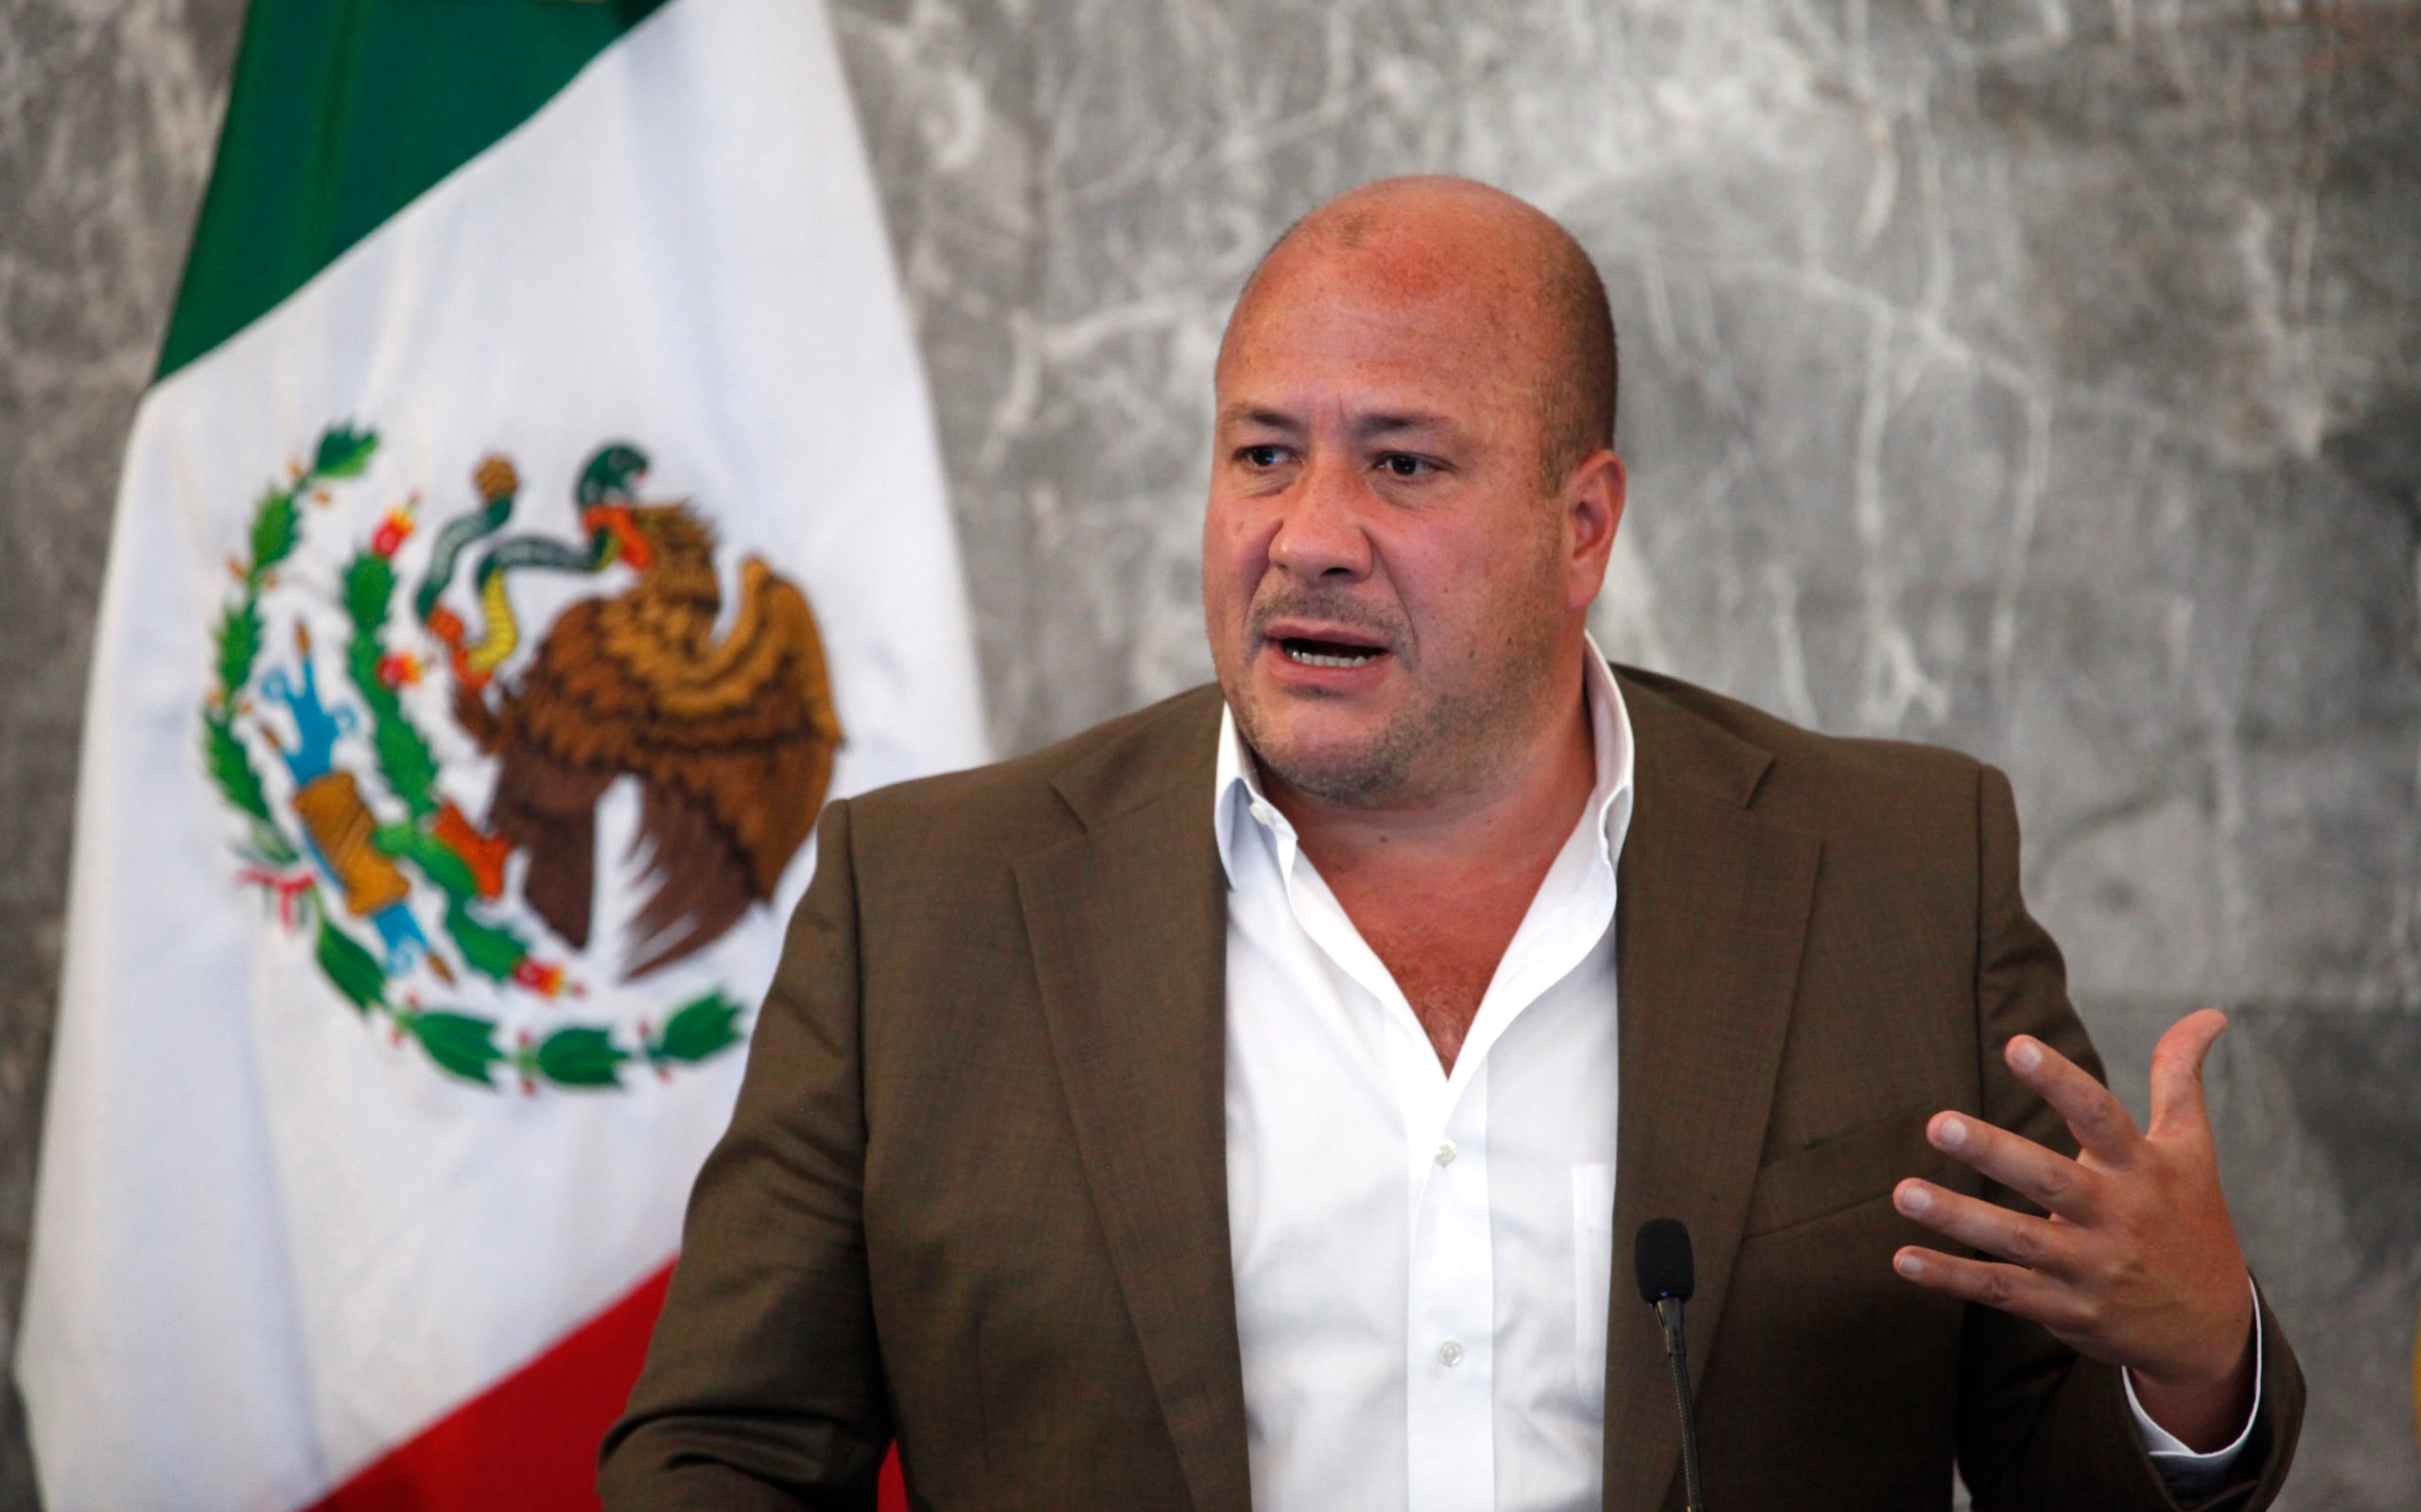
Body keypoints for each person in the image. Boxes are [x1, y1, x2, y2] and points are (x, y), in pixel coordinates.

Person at [600, 178, 2303, 1509]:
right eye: (1264, 453)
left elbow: (2065, 1473)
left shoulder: (1898, 878)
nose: (1308, 536)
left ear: (1581, 529)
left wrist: (2193, 1362)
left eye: (1403, 465)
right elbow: (720, 1460)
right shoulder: (933, 912)